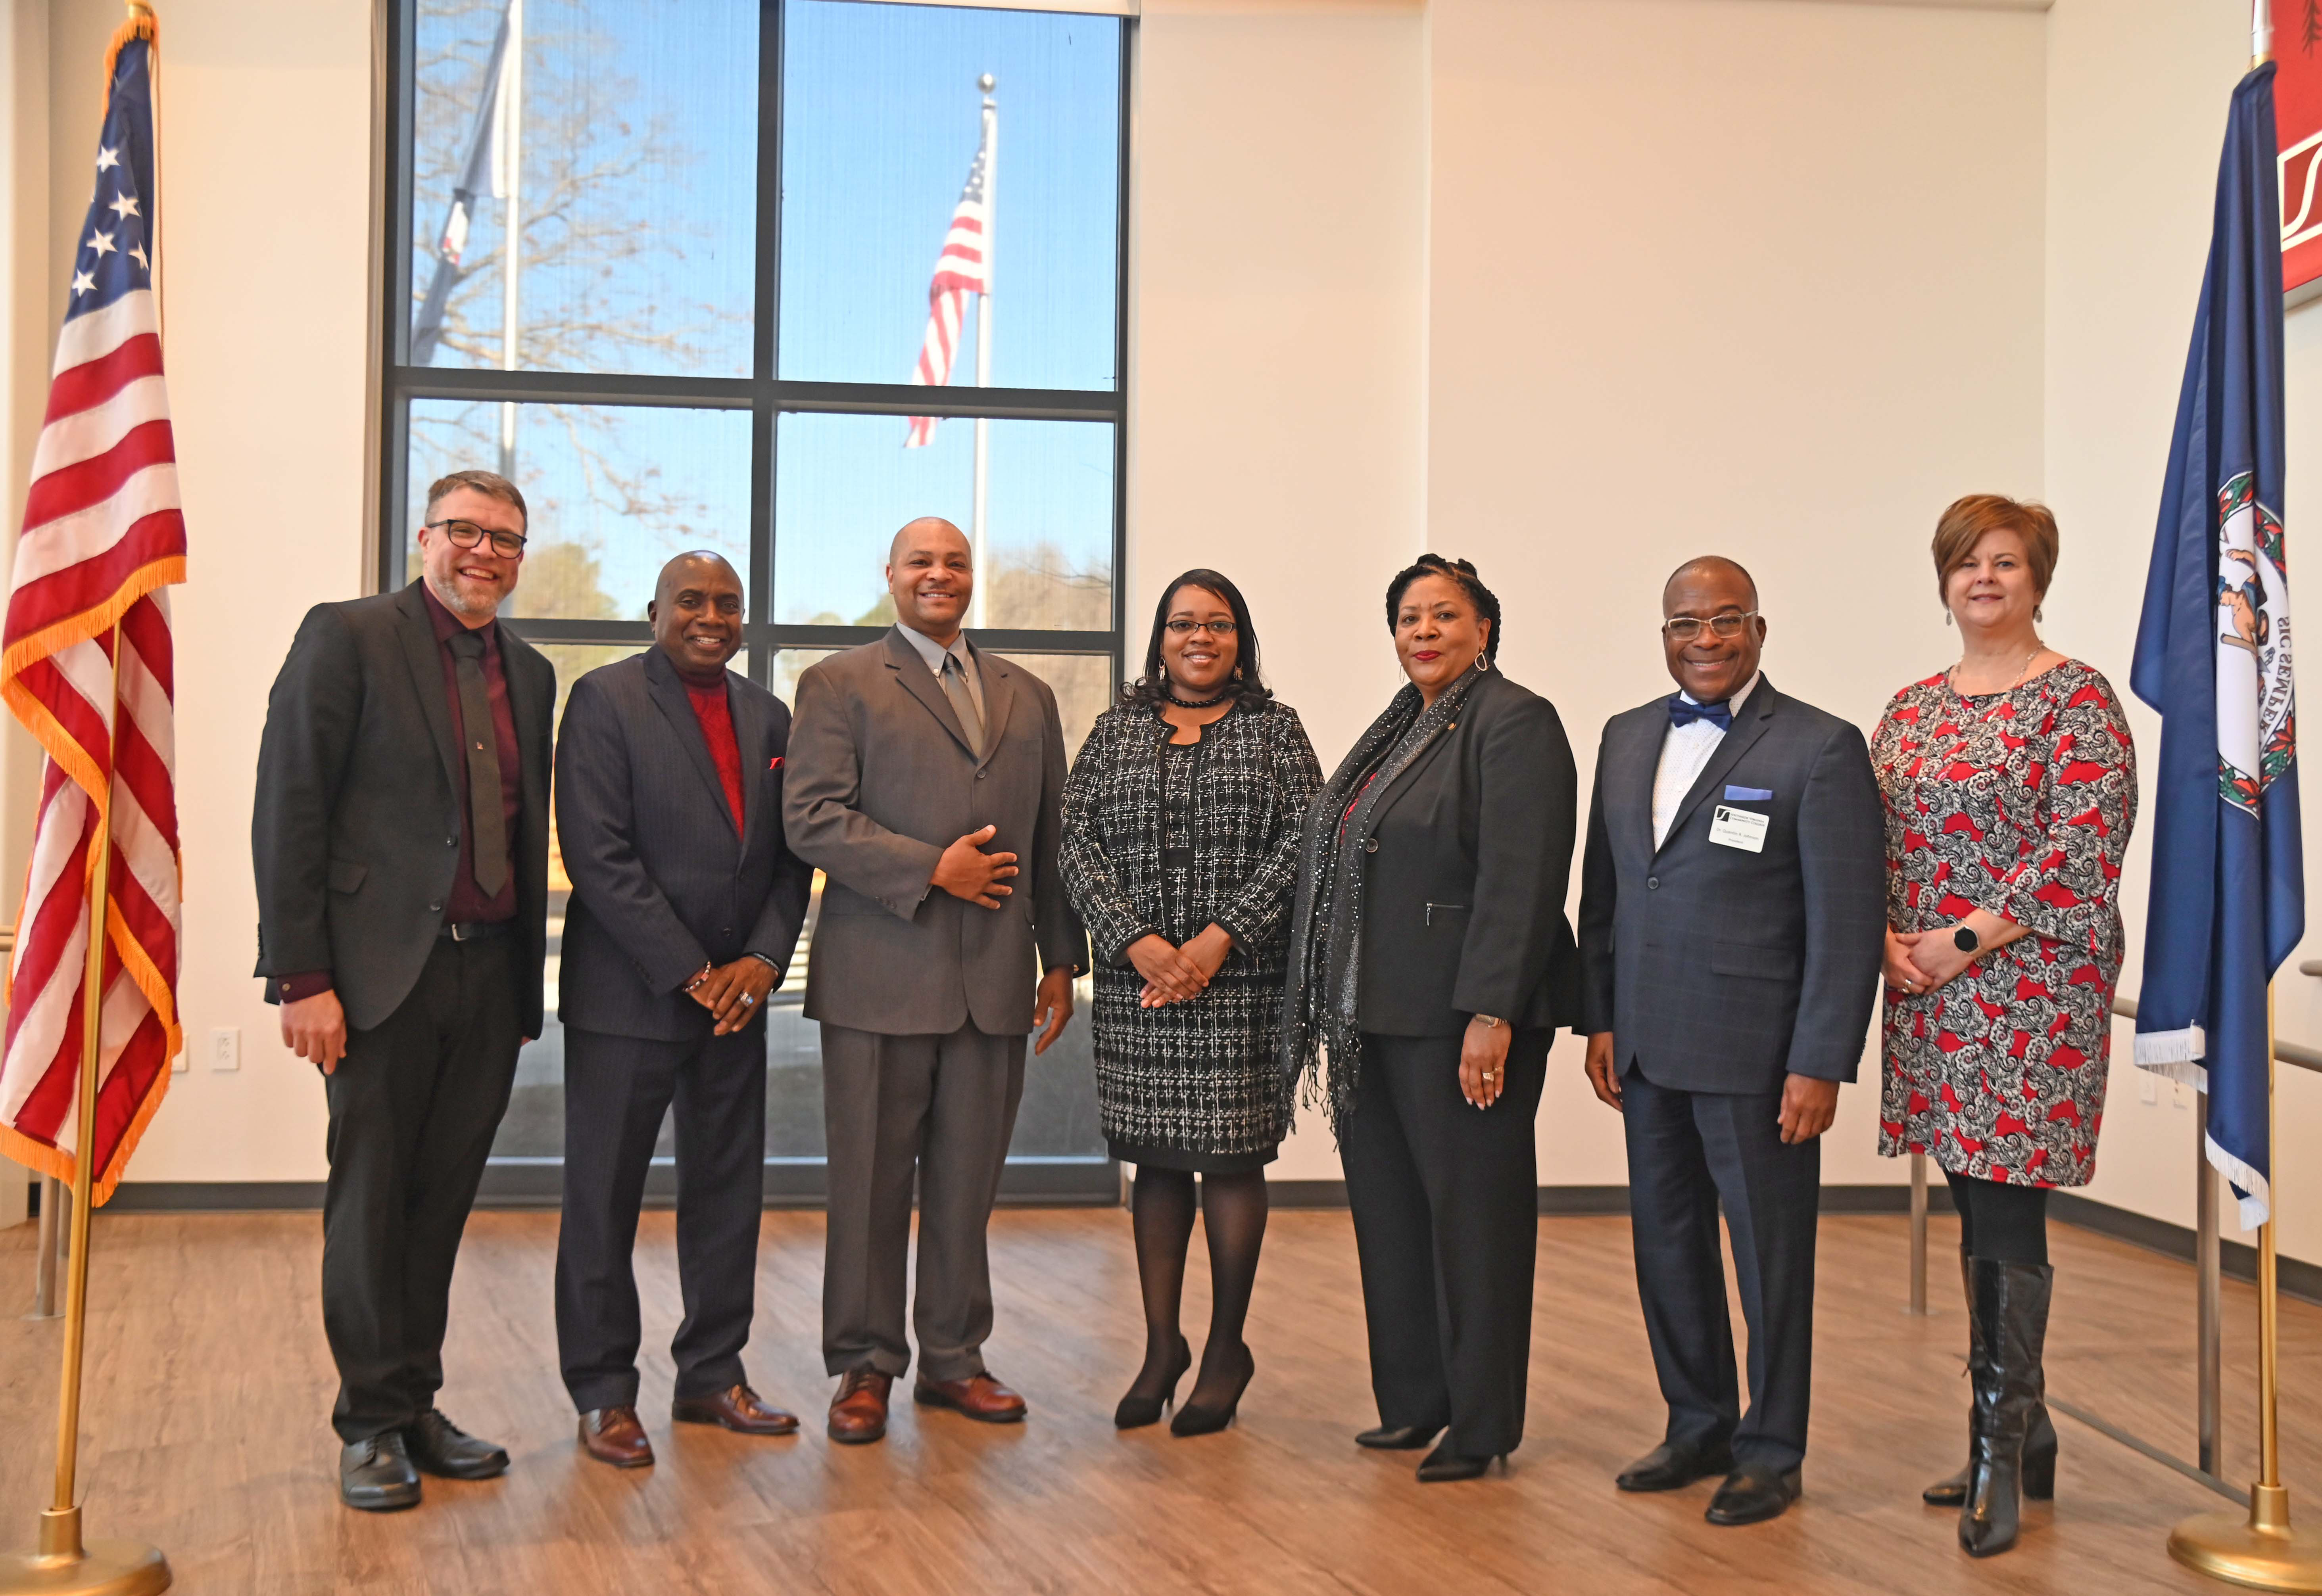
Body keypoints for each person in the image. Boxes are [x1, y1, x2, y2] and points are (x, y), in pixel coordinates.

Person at [253, 470, 554, 1511]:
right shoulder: (347, 637)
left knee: (439, 1207)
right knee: (373, 1201)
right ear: (424, 536)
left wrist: (525, 990)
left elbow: (520, 827)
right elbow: (289, 806)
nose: (485, 553)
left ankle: (416, 1400)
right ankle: (369, 1423)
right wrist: (300, 976)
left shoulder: (532, 670)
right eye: (466, 532)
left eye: (506, 540)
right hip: (376, 979)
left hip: (488, 972)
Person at [1577, 556, 1886, 1528]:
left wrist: (1820, 1059)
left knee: (1769, 1258)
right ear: (1662, 633)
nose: (1703, 640)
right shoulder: (1626, 737)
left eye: (1724, 621)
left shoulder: (1818, 747)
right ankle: (1697, 1419)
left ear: (1758, 629)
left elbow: (1844, 921)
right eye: (1684, 623)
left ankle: (1771, 1447)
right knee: (1666, 1246)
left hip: (1759, 1057)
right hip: (1645, 1043)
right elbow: (1608, 894)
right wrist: (1599, 1015)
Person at [782, 516, 1088, 1444]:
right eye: (922, 561)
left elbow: (1051, 841)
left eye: (955, 562)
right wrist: (931, 869)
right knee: (869, 1184)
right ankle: (864, 1365)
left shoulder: (1028, 695)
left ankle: (955, 1358)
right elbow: (811, 818)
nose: (940, 575)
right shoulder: (838, 683)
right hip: (880, 978)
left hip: (995, 980)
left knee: (966, 1183)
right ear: (891, 576)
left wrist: (1062, 959)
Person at [1874, 495, 2135, 1557]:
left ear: (2037, 577)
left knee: (2006, 1204)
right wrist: (1888, 938)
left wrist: (1960, 942)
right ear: (1942, 582)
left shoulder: (2075, 700)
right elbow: (1871, 834)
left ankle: (1999, 1452)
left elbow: (2082, 843)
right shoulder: (1907, 709)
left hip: (2026, 994)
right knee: (1969, 1198)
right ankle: (2023, 1430)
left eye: (2005, 562)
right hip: (1926, 990)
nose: (1983, 578)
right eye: (1965, 563)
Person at [1281, 554, 1577, 1484]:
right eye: (1408, 617)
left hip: (1463, 1019)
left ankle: (1482, 1422)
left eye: (1443, 614)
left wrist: (1490, 1010)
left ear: (1483, 627)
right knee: (1393, 1216)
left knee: (1474, 1222)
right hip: (1373, 1014)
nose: (1423, 631)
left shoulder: (1513, 720)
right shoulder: (1401, 729)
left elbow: (1521, 878)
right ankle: (1414, 1401)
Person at [551, 552, 814, 1468]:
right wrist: (693, 970)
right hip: (628, 999)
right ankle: (602, 1392)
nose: (712, 615)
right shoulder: (604, 700)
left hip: (737, 1006)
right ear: (652, 608)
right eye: (692, 600)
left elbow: (788, 860)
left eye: (729, 603)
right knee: (602, 1200)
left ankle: (711, 1373)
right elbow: (598, 855)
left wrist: (761, 961)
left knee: (728, 1196)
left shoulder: (769, 715)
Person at [1060, 570, 1322, 1435]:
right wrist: (1136, 939)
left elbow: (1304, 845)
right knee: (1157, 1161)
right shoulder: (1114, 729)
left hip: (1238, 984)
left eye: (1217, 624)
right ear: (1160, 638)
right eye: (1182, 623)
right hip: (1141, 986)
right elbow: (1076, 840)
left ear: (1240, 638)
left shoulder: (1275, 730)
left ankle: (1225, 1348)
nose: (1198, 637)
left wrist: (1218, 939)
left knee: (1230, 1161)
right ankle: (1161, 1343)